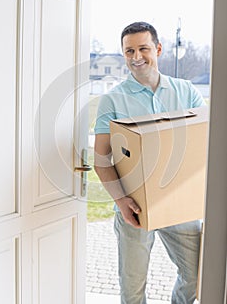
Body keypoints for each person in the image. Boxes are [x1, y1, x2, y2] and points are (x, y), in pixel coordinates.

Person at [94, 21, 205, 304]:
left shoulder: (186, 91)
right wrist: (121, 201)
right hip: (134, 209)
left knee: (196, 276)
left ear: (157, 48)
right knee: (132, 289)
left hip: (180, 205)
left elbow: (203, 141)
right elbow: (101, 159)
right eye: (129, 50)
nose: (136, 56)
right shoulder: (112, 99)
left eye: (143, 48)